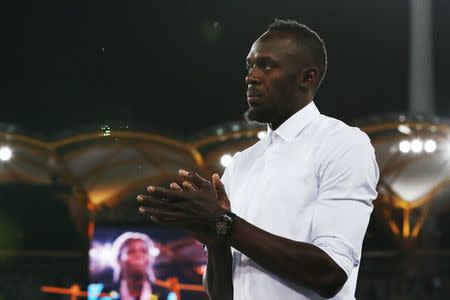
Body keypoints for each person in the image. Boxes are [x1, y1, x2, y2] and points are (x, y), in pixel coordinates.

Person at [137, 19, 379, 300]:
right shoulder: (241, 164)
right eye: (250, 66)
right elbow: (221, 295)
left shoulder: (342, 144)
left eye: (266, 65)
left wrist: (224, 223)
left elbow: (330, 273)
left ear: (307, 77)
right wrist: (216, 242)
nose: (251, 76)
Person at [109, 232, 169, 300]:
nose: (138, 255)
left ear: (149, 259)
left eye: (143, 251)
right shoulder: (103, 292)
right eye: (131, 251)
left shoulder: (166, 294)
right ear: (119, 259)